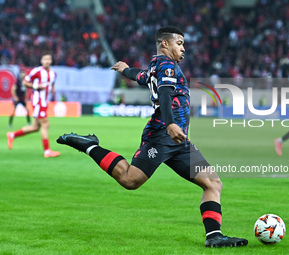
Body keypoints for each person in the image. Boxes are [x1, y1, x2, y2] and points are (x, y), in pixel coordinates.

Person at [57, 26, 248, 247]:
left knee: (213, 183)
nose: (183, 48)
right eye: (180, 43)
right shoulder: (167, 66)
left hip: (179, 142)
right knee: (130, 179)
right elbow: (165, 94)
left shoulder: (157, 66)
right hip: (161, 135)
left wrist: (125, 69)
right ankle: (90, 146)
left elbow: (140, 77)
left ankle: (214, 236)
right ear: (165, 44)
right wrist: (170, 124)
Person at [7, 53, 60, 158]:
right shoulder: (37, 71)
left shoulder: (53, 73)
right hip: (38, 101)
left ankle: (12, 135)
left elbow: (52, 85)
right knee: (45, 124)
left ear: (51, 61)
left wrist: (52, 90)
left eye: (49, 59)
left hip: (45, 102)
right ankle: (47, 151)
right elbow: (25, 82)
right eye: (45, 59)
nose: (47, 61)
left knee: (35, 127)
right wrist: (36, 86)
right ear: (41, 61)